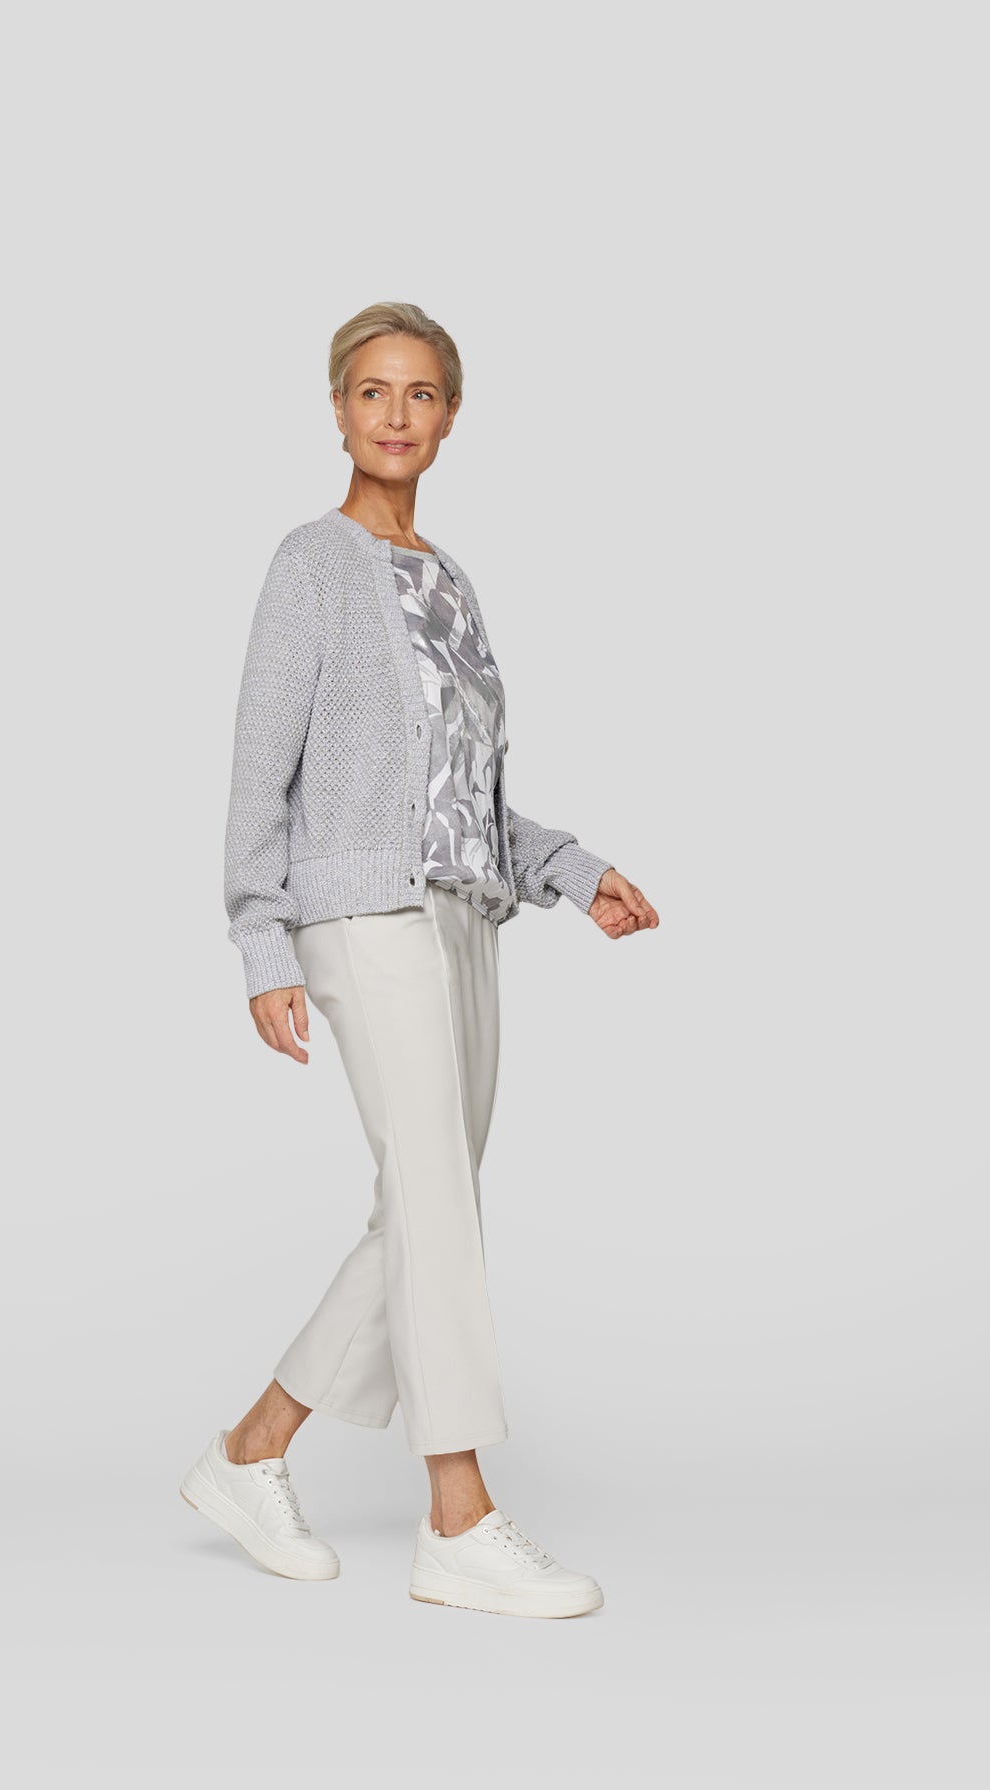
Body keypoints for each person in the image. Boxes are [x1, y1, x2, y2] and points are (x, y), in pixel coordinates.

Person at [181, 302, 659, 1618]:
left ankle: (251, 1453)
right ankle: (460, 1516)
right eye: (373, 391)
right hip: (359, 915)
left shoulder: (450, 583)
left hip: (461, 916)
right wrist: (261, 937)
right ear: (338, 409)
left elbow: (467, 798)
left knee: (424, 1206)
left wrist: (573, 870)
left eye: (422, 393)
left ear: (451, 417)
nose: (396, 415)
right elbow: (259, 770)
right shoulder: (311, 566)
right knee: (438, 1198)